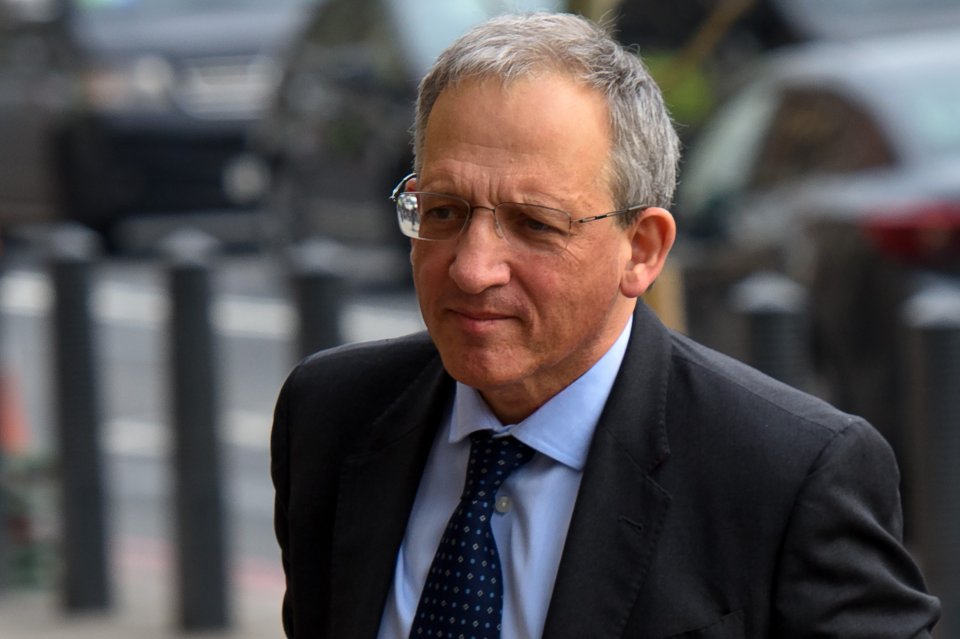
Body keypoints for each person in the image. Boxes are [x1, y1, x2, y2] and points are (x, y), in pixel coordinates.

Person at [270, 12, 939, 638]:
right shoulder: (330, 416)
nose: (472, 269)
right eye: (444, 211)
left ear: (641, 250)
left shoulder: (789, 476)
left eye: (535, 224)